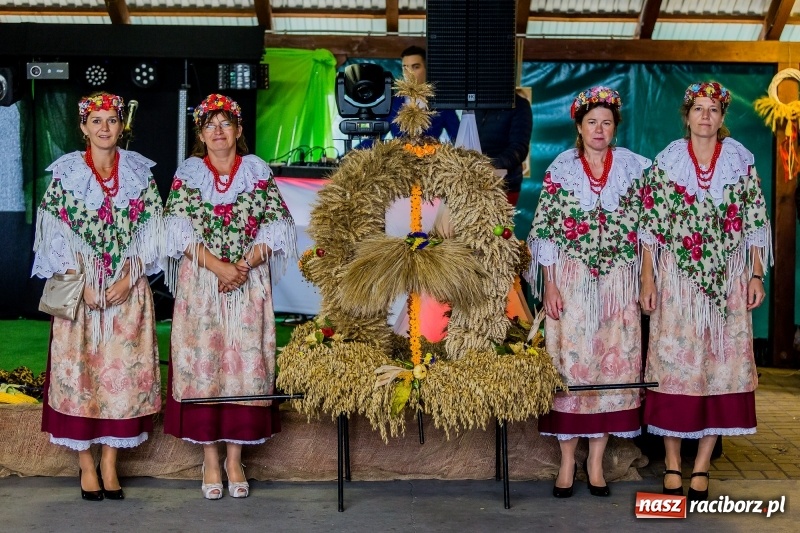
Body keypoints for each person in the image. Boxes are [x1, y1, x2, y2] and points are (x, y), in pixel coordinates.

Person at [639, 82, 771, 502]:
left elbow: (756, 224)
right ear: (687, 115)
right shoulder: (667, 162)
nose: (706, 116)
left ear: (721, 117)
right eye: (698, 109)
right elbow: (651, 227)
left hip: (729, 285)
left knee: (722, 367)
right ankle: (674, 463)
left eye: (713, 109)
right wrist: (647, 278)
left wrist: (756, 275)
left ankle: (702, 466)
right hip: (677, 282)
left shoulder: (740, 161)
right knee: (676, 367)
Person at [163, 94, 297, 500]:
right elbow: (177, 230)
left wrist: (242, 264)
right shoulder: (187, 176)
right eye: (209, 125)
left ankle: (235, 458)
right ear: (201, 135)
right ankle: (209, 459)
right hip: (202, 282)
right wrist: (219, 267)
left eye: (226, 124)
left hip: (248, 281)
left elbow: (277, 225)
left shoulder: (257, 172)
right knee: (204, 365)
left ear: (239, 131)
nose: (218, 132)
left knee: (245, 364)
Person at [32, 92, 163, 501]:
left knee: (122, 378)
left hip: (126, 287)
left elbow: (155, 231)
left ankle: (110, 462)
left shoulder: (140, 172)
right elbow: (51, 232)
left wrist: (129, 277)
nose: (105, 128)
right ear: (84, 127)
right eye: (97, 121)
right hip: (82, 289)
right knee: (81, 377)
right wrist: (81, 282)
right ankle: (85, 464)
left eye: (112, 120)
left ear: (122, 126)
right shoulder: (67, 172)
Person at [525, 87, 651, 498]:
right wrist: (551, 285)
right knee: (571, 369)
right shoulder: (563, 168)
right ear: (579, 127)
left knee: (612, 370)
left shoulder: (635, 168)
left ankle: (596, 463)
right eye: (592, 122)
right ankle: (566, 463)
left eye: (607, 122)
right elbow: (544, 228)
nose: (599, 129)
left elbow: (655, 220)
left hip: (618, 286)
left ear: (615, 128)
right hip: (573, 283)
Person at [358, 46, 460, 148]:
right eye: (405, 67)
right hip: (398, 161)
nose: (409, 72)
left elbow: (459, 138)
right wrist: (349, 155)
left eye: (416, 67)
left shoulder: (442, 104)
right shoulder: (393, 103)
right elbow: (374, 137)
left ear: (426, 68)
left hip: (429, 160)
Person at [475, 91, 533, 206]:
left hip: (504, 185)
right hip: (474, 181)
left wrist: (492, 165)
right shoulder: (477, 102)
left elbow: (519, 148)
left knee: (497, 224)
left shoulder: (520, 105)